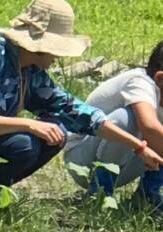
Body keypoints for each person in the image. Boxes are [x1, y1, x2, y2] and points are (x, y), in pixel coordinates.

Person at [0, 0, 162, 187]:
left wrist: (138, 147)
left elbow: (75, 111)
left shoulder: (29, 70)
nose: (57, 57)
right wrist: (29, 124)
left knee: (55, 131)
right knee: (24, 143)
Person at [63, 41, 163, 210]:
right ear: (160, 78)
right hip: (83, 159)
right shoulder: (139, 81)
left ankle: (147, 196)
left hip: (125, 164)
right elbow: (149, 127)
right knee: (126, 119)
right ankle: (98, 193)